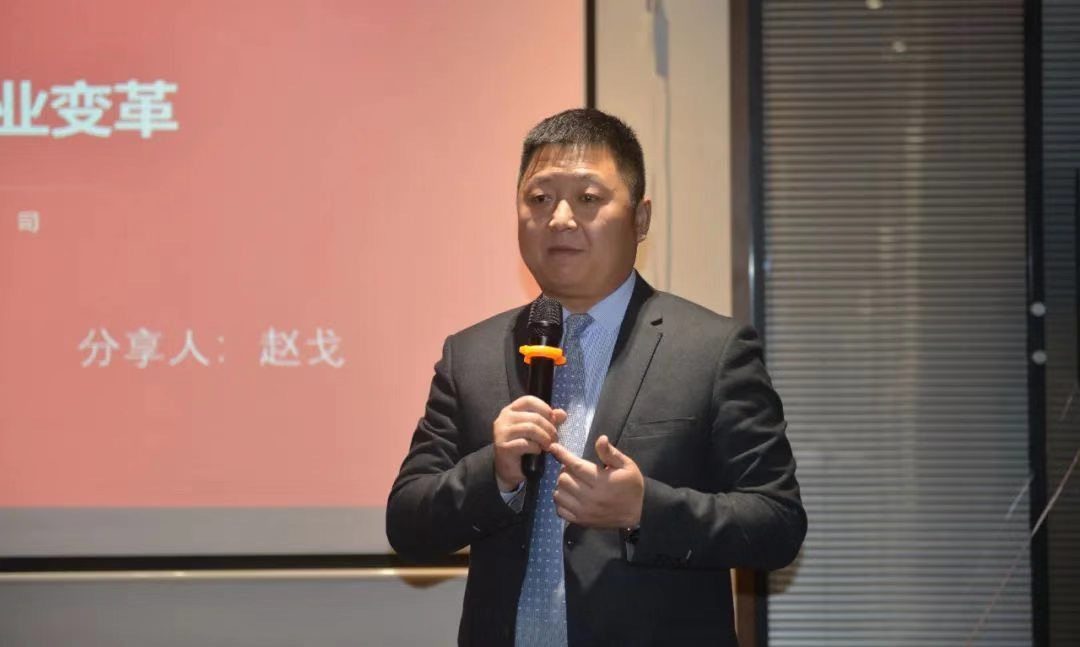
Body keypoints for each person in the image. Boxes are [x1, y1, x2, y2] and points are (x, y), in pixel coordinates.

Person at [386, 108, 805, 647]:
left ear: (640, 219)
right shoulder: (471, 354)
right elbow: (408, 523)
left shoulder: (712, 350)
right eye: (539, 198)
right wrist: (495, 473)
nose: (560, 218)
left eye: (588, 198)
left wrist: (645, 509)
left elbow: (777, 523)